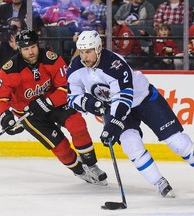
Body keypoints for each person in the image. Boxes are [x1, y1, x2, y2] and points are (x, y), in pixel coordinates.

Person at [66, 30, 194, 197]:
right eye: (82, 52)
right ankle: (159, 182)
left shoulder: (114, 64)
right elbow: (72, 96)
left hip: (144, 99)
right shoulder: (76, 67)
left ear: (98, 49)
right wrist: (92, 105)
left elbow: (124, 97)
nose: (84, 57)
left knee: (178, 142)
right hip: (114, 107)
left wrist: (113, 123)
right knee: (131, 145)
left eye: (88, 51)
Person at [0, 29, 108, 185]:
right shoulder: (10, 69)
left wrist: (48, 102)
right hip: (29, 114)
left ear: (38, 45)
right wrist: (5, 116)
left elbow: (66, 86)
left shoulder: (51, 59)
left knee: (77, 125)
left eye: (33, 47)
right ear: (19, 49)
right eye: (25, 49)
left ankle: (91, 165)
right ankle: (79, 170)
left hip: (56, 103)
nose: (30, 52)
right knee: (59, 145)